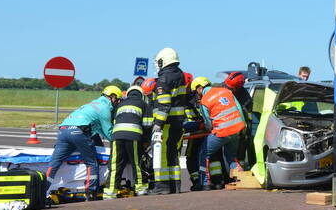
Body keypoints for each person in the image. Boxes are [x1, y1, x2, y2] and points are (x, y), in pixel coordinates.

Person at [47, 85, 121, 199]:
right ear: (112, 97)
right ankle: (90, 192)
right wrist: (119, 142)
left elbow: (99, 129)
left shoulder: (92, 104)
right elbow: (108, 131)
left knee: (54, 163)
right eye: (118, 100)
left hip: (63, 130)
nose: (117, 103)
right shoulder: (105, 108)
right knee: (91, 162)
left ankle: (42, 188)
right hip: (79, 131)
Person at [193, 76, 247, 190]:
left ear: (199, 88)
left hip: (222, 132)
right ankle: (241, 178)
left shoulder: (204, 101)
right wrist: (243, 126)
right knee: (231, 156)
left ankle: (205, 183)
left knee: (204, 153)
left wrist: (209, 130)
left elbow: (208, 123)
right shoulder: (226, 91)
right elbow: (239, 108)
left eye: (196, 91)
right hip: (237, 129)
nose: (197, 94)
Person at [151, 48, 188, 194]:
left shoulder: (164, 78)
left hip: (166, 124)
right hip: (178, 122)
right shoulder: (180, 75)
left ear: (163, 61)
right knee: (173, 154)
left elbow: (164, 104)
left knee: (161, 154)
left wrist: (158, 124)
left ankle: (162, 186)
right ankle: (175, 185)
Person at [103, 85, 148, 199]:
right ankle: (141, 189)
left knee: (115, 165)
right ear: (141, 95)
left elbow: (114, 121)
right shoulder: (143, 104)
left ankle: (110, 192)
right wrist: (145, 141)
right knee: (137, 164)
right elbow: (147, 124)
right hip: (134, 136)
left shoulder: (120, 105)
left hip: (117, 136)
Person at [224, 71, 254, 169]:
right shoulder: (222, 90)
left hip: (241, 126)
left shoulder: (244, 95)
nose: (229, 90)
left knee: (241, 148)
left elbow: (245, 111)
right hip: (226, 126)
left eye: (231, 88)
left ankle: (240, 168)